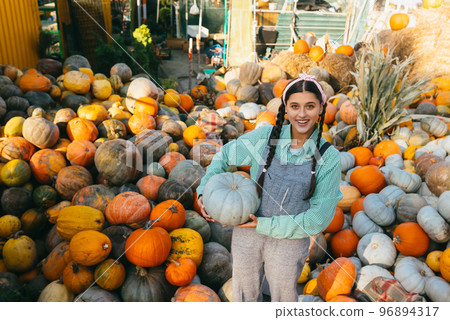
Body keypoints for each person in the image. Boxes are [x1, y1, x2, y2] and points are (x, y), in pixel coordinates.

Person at [196, 73, 343, 302]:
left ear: (321, 108)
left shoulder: (329, 157)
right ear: (285, 107)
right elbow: (223, 155)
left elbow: (318, 218)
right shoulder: (264, 138)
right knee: (244, 293)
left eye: (310, 106)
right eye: (295, 106)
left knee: (282, 297)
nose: (302, 114)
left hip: (290, 240)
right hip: (247, 231)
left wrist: (265, 225)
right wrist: (204, 191)